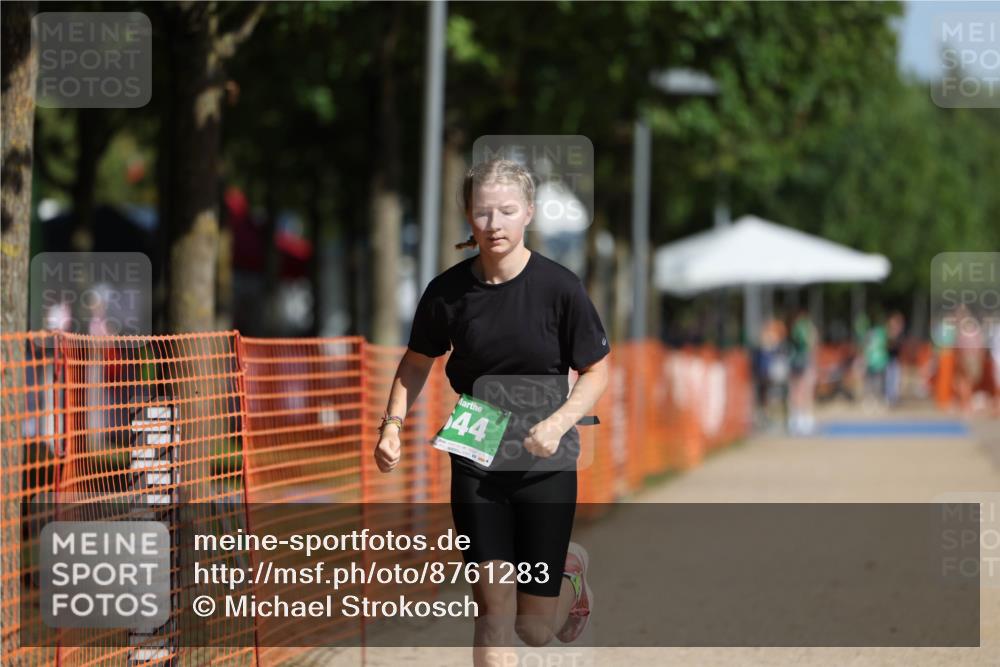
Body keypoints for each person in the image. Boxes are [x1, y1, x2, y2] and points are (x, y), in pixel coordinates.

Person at [374, 159, 610, 663]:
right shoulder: (447, 292)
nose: (494, 223)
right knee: (492, 610)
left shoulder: (560, 288)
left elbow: (597, 371)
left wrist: (558, 422)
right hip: (475, 451)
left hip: (545, 455)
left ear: (527, 212)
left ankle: (569, 572)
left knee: (534, 630)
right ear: (467, 215)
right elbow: (415, 364)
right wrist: (391, 425)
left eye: (506, 211)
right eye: (483, 212)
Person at [787, 310, 818, 434]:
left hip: (795, 362)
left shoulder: (794, 327)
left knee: (796, 390)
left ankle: (796, 418)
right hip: (802, 362)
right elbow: (809, 343)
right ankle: (802, 419)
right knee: (804, 390)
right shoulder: (803, 327)